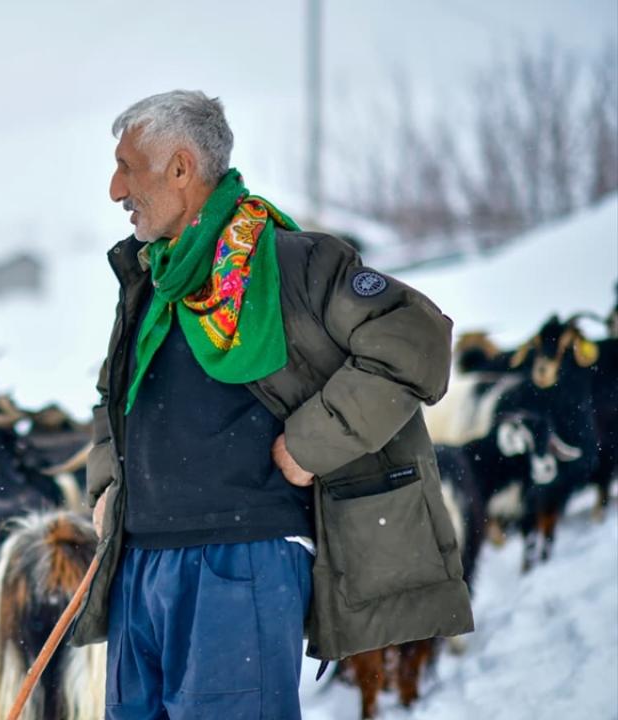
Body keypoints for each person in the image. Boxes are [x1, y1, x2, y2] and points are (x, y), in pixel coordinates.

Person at [69, 91, 473, 719]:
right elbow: (111, 397)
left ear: (181, 168)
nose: (115, 189)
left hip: (240, 561)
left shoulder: (295, 263)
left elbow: (414, 340)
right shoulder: (153, 280)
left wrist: (314, 443)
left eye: (127, 167)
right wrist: (106, 487)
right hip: (139, 567)